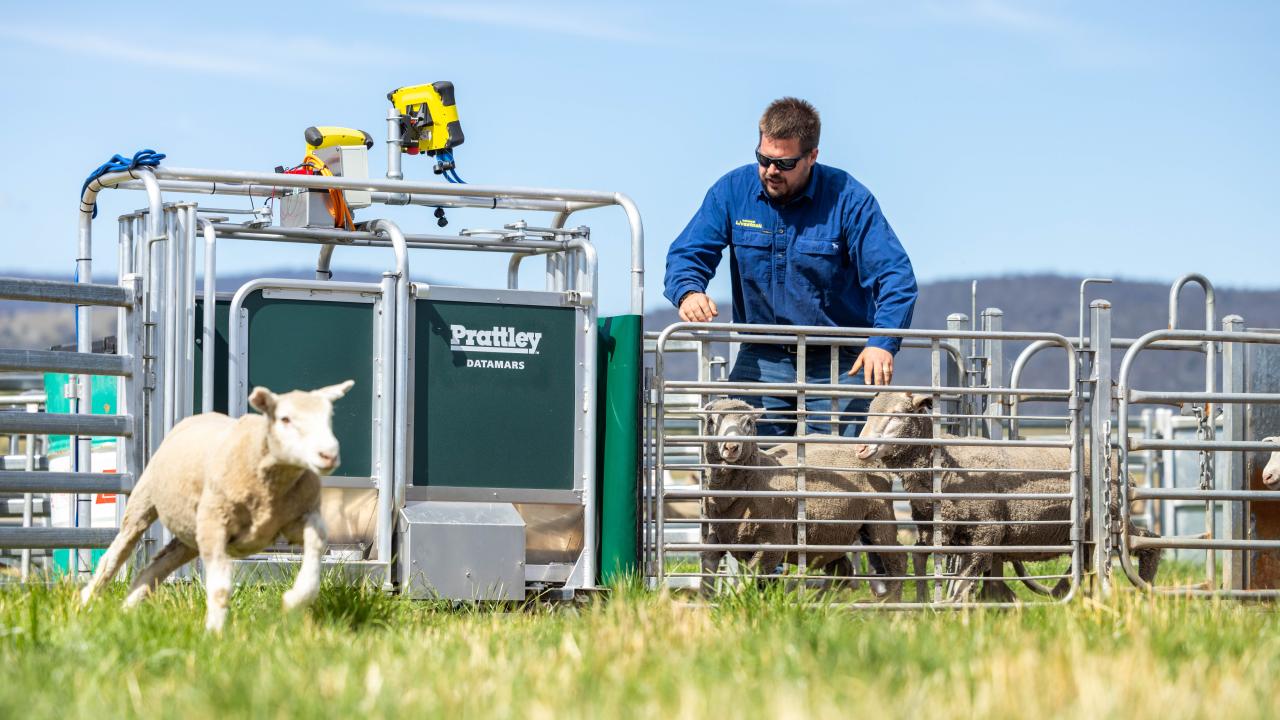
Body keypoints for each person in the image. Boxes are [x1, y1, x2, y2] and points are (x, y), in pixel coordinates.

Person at [664, 97, 918, 438]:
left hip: (838, 361)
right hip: (761, 356)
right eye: (763, 159)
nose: (770, 171)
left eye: (784, 164)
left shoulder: (849, 200)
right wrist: (689, 291)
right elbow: (688, 252)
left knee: (839, 473)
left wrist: (881, 343)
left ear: (812, 157)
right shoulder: (732, 191)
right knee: (743, 464)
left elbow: (895, 278)